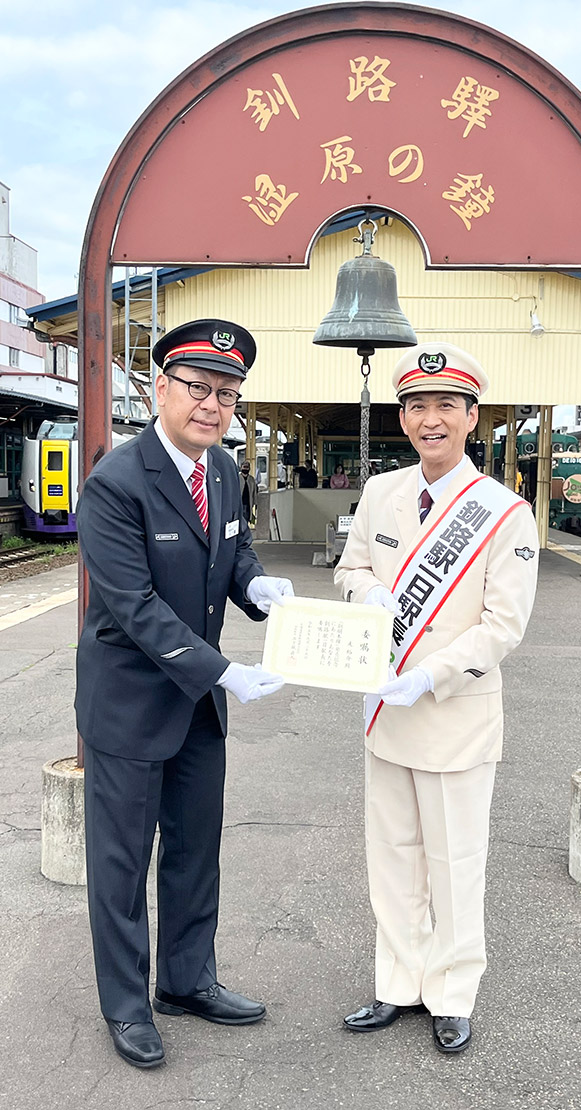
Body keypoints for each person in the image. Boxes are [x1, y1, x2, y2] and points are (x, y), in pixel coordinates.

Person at [75, 318, 294, 1070]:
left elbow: (232, 553)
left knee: (196, 851)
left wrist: (258, 588)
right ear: (160, 388)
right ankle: (128, 1006)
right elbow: (133, 608)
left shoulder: (226, 472)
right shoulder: (115, 484)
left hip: (196, 707)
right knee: (122, 862)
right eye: (199, 387)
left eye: (227, 393)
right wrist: (223, 670)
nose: (213, 404)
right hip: (133, 706)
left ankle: (187, 981)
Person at [334, 342, 539, 1055]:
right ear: (402, 417)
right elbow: (351, 567)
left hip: (453, 716)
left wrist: (431, 674)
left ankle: (452, 992)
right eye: (417, 406)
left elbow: (503, 627)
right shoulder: (381, 492)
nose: (431, 419)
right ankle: (397, 982)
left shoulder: (504, 513)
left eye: (446, 406)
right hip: (386, 712)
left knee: (454, 862)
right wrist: (371, 592)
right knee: (391, 855)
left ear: (471, 417)